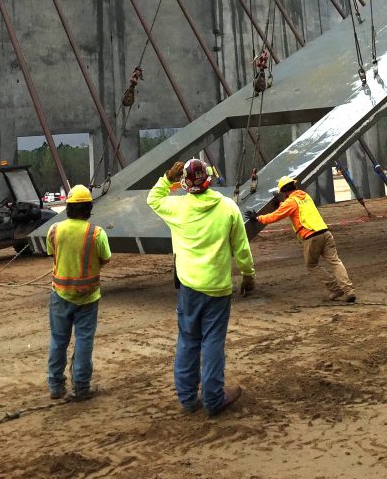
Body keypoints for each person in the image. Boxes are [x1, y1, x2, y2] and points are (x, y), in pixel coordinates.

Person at [147, 158, 255, 417]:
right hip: (218, 288)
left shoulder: (177, 208)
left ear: (184, 183)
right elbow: (241, 248)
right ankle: (214, 399)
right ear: (209, 179)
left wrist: (167, 178)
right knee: (213, 343)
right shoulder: (228, 208)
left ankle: (186, 398)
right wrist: (248, 275)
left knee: (188, 340)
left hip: (189, 287)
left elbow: (153, 198)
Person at [46, 183, 111, 401]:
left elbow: (51, 252)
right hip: (88, 297)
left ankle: (56, 386)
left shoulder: (54, 230)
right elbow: (105, 258)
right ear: (89, 208)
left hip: (61, 295)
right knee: (84, 341)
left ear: (68, 207)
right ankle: (81, 387)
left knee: (58, 340)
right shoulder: (97, 233)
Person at [249, 176, 356, 303]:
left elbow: (275, 216)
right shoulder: (305, 196)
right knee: (335, 262)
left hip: (311, 236)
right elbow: (294, 208)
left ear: (283, 191)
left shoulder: (290, 202)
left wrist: (257, 218)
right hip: (325, 232)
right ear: (294, 186)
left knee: (311, 265)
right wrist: (280, 203)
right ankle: (349, 291)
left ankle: (335, 288)